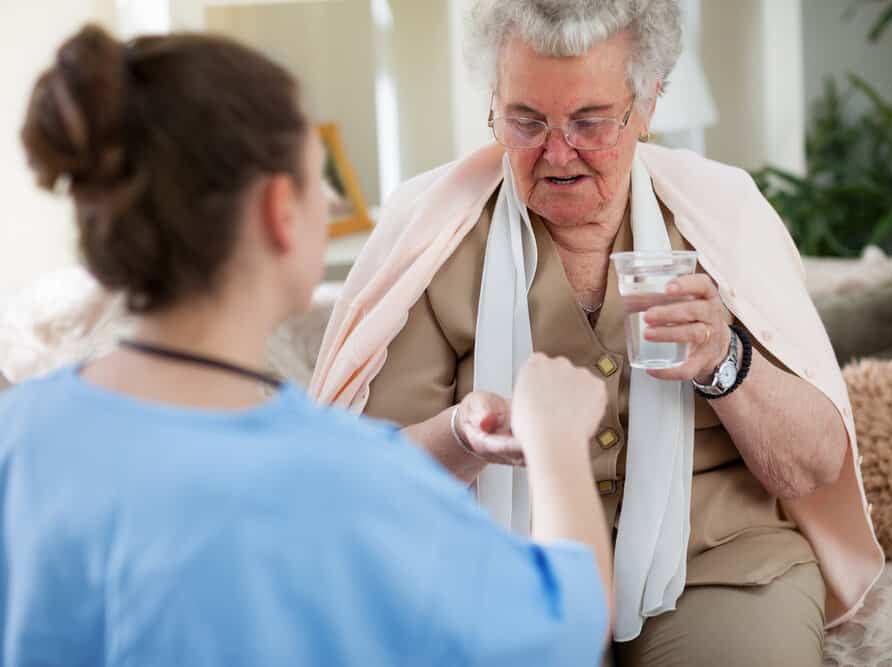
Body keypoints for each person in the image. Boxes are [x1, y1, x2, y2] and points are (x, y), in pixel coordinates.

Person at [0, 25, 613, 666]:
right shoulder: (335, 481)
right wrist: (559, 445)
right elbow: (566, 631)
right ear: (277, 210)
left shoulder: (20, 435)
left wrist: (457, 434)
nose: (329, 197)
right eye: (313, 174)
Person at [310, 1, 883, 665]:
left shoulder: (724, 218)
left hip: (720, 565)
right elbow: (360, 479)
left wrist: (725, 359)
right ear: (494, 103)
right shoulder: (433, 237)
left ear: (648, 104)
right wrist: (462, 436)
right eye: (526, 121)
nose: (557, 154)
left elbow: (814, 466)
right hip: (497, 571)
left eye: (589, 122)